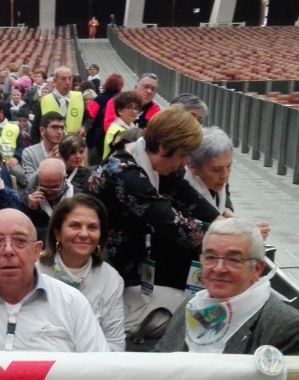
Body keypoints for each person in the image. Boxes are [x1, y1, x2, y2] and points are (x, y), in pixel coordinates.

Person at [86, 106, 220, 335]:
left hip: (127, 266)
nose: (183, 164)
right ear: (163, 147)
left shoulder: (151, 160)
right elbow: (171, 222)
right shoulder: (125, 174)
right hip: (98, 276)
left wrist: (221, 218)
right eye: (181, 156)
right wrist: (228, 235)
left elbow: (185, 193)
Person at [0, 209, 108, 352]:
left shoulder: (72, 302)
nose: (8, 250)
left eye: (20, 241)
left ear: (37, 251)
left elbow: (100, 372)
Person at [156, 219, 299, 355]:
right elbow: (157, 363)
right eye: (211, 257)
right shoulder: (190, 306)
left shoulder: (283, 325)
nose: (219, 268)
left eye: (233, 260)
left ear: (257, 269)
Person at [37, 195, 125, 351]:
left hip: (90, 368)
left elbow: (115, 344)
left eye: (92, 227)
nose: (84, 234)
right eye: (75, 226)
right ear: (57, 233)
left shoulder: (111, 279)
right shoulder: (33, 270)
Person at [185, 126, 235, 216]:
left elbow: (223, 203)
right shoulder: (180, 187)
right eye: (216, 170)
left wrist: (230, 214)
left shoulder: (219, 181)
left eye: (228, 166)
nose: (225, 175)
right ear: (192, 167)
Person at [30, 66, 88, 142]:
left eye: (70, 78)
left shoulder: (79, 97)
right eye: (63, 79)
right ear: (54, 81)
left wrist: (84, 128)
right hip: (52, 148)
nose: (67, 82)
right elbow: (35, 129)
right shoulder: (44, 101)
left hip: (73, 146)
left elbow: (88, 118)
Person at [22, 158, 74, 241]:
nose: (49, 192)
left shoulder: (76, 197)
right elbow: (23, 231)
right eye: (44, 186)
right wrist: (31, 210)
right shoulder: (29, 197)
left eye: (54, 187)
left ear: (64, 178)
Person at [21, 110, 65, 180]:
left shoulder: (67, 151)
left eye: (62, 128)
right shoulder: (29, 153)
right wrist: (46, 164)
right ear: (42, 130)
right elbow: (29, 183)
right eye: (55, 127)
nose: (59, 132)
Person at [103, 91, 142, 161]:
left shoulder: (131, 126)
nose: (134, 111)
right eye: (129, 107)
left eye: (136, 108)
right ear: (120, 111)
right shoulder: (116, 130)